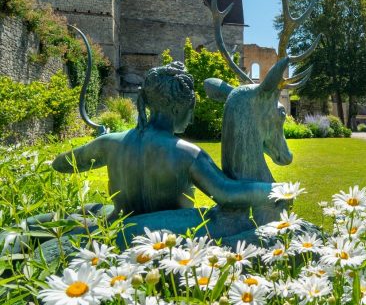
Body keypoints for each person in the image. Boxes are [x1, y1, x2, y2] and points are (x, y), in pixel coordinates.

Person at [52, 62, 277, 219]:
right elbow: (228, 193)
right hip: (167, 244)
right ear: (178, 108)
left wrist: (100, 141)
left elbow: (61, 164)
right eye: (191, 110)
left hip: (117, 233)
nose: (190, 120)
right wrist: (276, 189)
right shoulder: (187, 154)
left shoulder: (110, 143)